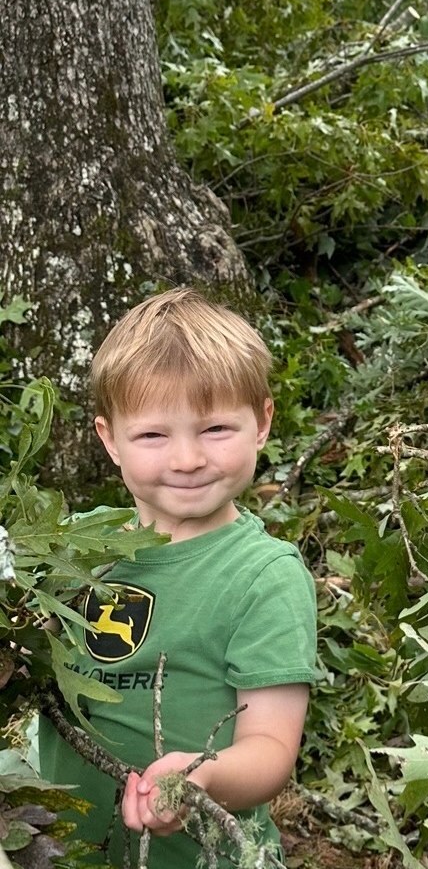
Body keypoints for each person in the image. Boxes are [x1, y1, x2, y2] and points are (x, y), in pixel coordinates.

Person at [38, 287, 318, 867]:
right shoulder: (73, 546)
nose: (187, 458)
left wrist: (199, 778)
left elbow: (269, 747)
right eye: (153, 435)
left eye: (215, 429)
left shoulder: (263, 576)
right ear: (109, 438)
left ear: (262, 422)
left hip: (201, 857)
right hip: (62, 848)